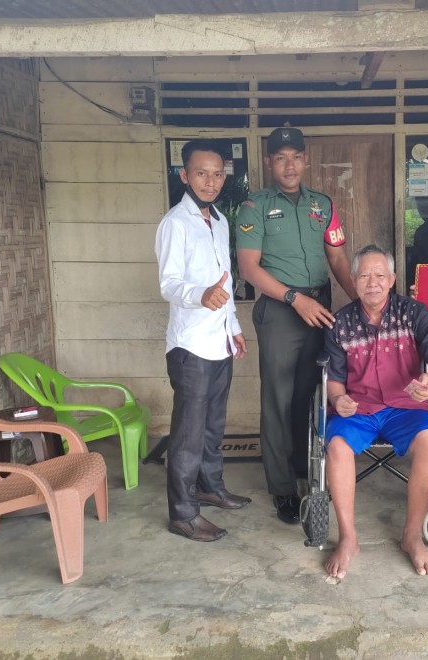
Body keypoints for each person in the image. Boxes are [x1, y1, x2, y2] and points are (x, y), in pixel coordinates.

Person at [236, 126, 358, 525]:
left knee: (312, 393)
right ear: (269, 162)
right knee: (278, 398)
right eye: (280, 158)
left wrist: (363, 301)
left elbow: (338, 258)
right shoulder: (254, 207)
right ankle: (283, 486)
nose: (289, 166)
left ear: (305, 160)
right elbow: (249, 268)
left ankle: (307, 468)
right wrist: (293, 298)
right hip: (281, 311)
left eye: (296, 157)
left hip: (320, 308)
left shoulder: (323, 204)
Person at [324, 245, 428, 580]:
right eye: (364, 276)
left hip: (408, 407)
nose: (373, 282)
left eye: (380, 275)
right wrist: (338, 400)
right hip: (360, 409)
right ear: (353, 280)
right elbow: (334, 382)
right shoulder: (340, 323)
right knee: (336, 445)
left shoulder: (412, 312)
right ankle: (348, 538)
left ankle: (412, 536)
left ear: (392, 279)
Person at [155, 139, 251, 543]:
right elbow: (169, 283)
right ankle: (183, 514)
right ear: (184, 175)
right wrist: (200, 295)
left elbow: (223, 284)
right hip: (190, 345)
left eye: (217, 174)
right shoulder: (175, 223)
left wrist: (234, 327)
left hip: (219, 341)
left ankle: (210, 487)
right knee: (188, 434)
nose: (210, 182)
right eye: (201, 173)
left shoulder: (221, 221)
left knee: (213, 425)